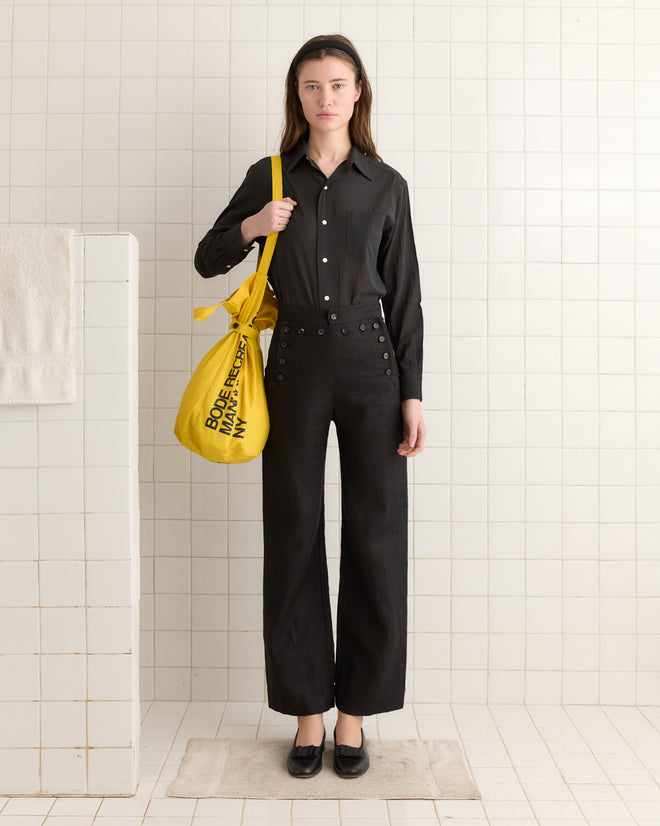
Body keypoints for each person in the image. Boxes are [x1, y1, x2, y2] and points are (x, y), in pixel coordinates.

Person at [195, 34, 425, 779]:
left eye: (338, 84)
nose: (325, 98)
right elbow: (207, 255)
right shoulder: (269, 177)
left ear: (359, 93)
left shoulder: (386, 185)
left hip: (372, 368)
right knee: (293, 533)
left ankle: (354, 716)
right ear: (297, 98)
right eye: (310, 87)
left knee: (374, 536)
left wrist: (414, 393)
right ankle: (306, 713)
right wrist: (255, 227)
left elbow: (409, 297)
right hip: (291, 365)